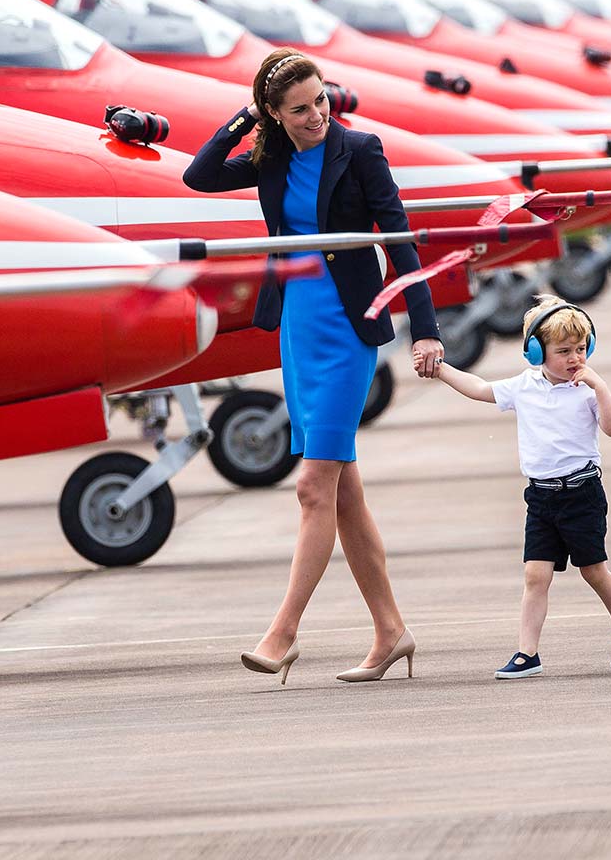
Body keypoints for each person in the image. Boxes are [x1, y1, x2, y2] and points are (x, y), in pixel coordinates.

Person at [183, 47, 444, 685]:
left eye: (322, 100)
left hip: (351, 329)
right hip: (299, 329)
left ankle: (283, 633)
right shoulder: (271, 158)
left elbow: (399, 237)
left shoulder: (360, 151)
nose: (317, 116)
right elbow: (200, 175)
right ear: (274, 112)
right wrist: (246, 118)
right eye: (299, 109)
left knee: (311, 485)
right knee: (343, 493)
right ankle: (391, 631)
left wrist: (425, 329)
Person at [413, 295, 611, 678]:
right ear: (536, 352)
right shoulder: (524, 387)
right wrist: (442, 371)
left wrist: (601, 387)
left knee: (594, 571)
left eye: (580, 349)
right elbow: (479, 388)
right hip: (540, 497)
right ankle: (527, 652)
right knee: (535, 576)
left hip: (581, 494)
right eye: (563, 351)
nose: (575, 358)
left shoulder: (586, 390)